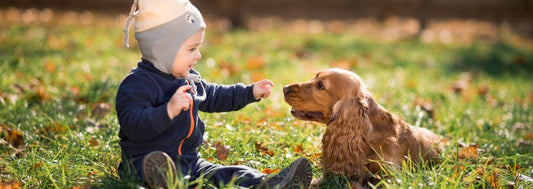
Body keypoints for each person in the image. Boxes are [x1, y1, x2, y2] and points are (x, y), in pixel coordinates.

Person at [116, 0, 313, 188]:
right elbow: (134, 125)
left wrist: (249, 92)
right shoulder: (136, 85)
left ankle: (268, 183)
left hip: (190, 162)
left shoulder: (188, 79)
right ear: (163, 50)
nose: (198, 55)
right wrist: (168, 110)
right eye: (192, 48)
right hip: (143, 163)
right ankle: (163, 180)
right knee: (167, 175)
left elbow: (216, 95)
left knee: (227, 173)